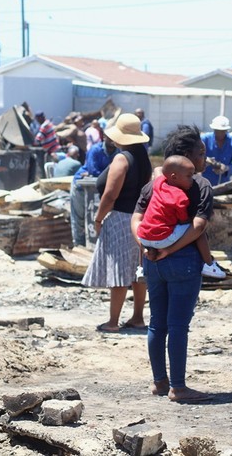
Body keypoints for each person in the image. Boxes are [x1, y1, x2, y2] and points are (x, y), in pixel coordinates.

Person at [131, 124, 215, 403]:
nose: (204, 159)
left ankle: (159, 382)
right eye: (200, 154)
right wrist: (170, 249)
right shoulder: (201, 185)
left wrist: (148, 247)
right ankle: (178, 388)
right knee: (178, 325)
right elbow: (199, 226)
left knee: (157, 324)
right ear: (185, 158)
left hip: (152, 262)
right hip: (183, 263)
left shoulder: (154, 184)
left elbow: (137, 220)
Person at [82, 113, 152, 333]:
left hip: (121, 218)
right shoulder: (143, 158)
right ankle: (138, 317)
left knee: (119, 271)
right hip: (140, 218)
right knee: (137, 270)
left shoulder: (122, 159)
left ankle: (113, 322)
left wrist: (98, 218)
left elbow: (110, 195)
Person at [136, 155, 225, 278]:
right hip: (163, 239)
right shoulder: (180, 197)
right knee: (198, 227)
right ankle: (208, 264)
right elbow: (184, 220)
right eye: (189, 176)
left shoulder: (157, 184)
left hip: (144, 238)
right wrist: (192, 219)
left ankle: (141, 268)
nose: (192, 180)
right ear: (174, 177)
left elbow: (158, 170)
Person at [70, 137, 117, 247]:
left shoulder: (118, 152)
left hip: (99, 189)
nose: (112, 140)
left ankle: (93, 247)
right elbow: (93, 170)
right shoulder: (95, 150)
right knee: (79, 219)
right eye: (110, 137)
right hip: (81, 187)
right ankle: (79, 246)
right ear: (105, 137)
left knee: (95, 218)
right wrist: (111, 171)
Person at [201, 115, 232, 185]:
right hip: (206, 183)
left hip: (224, 184)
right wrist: (206, 160)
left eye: (222, 131)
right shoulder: (204, 140)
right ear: (213, 129)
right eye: (217, 131)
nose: (219, 134)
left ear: (226, 130)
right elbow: (196, 157)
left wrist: (227, 168)